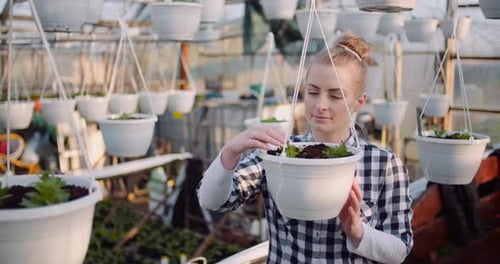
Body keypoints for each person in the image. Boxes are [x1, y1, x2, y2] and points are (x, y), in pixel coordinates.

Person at [197, 32, 413, 263]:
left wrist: (356, 230)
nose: (320, 105)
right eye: (312, 92)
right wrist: (230, 152)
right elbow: (211, 200)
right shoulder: (279, 154)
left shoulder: (384, 165)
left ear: (359, 102)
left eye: (335, 96)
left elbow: (399, 250)